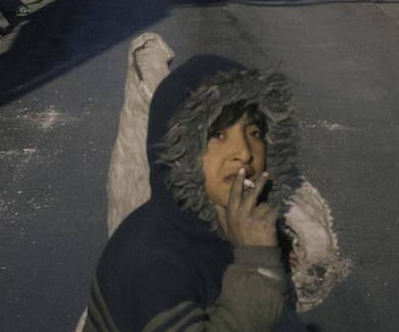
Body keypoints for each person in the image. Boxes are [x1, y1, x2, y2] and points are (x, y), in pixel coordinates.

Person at [82, 55, 302, 331]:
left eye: (254, 132)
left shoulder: (227, 222)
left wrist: (275, 249)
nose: (244, 153)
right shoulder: (151, 259)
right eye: (218, 135)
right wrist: (258, 264)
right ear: (180, 147)